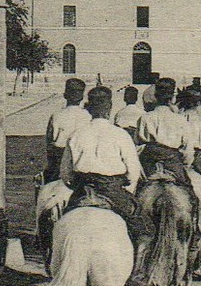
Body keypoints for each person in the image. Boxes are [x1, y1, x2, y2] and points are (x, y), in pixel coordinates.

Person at [61, 86, 148, 245]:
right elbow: (133, 172)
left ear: (89, 109)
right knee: (143, 230)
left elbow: (65, 174)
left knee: (60, 224)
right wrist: (126, 188)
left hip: (83, 190)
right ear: (109, 108)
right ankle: (139, 264)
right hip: (112, 189)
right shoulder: (120, 135)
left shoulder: (76, 134)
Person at [135, 77, 200, 208]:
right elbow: (188, 149)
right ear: (172, 97)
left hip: (149, 163)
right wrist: (185, 163)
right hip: (172, 161)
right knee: (190, 194)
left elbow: (138, 145)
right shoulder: (180, 119)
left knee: (135, 194)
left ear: (155, 96)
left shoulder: (145, 117)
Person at [44, 78, 91, 183]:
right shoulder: (88, 116)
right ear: (82, 97)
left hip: (59, 163)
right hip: (80, 162)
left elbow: (49, 142)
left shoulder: (56, 116)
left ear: (65, 94)